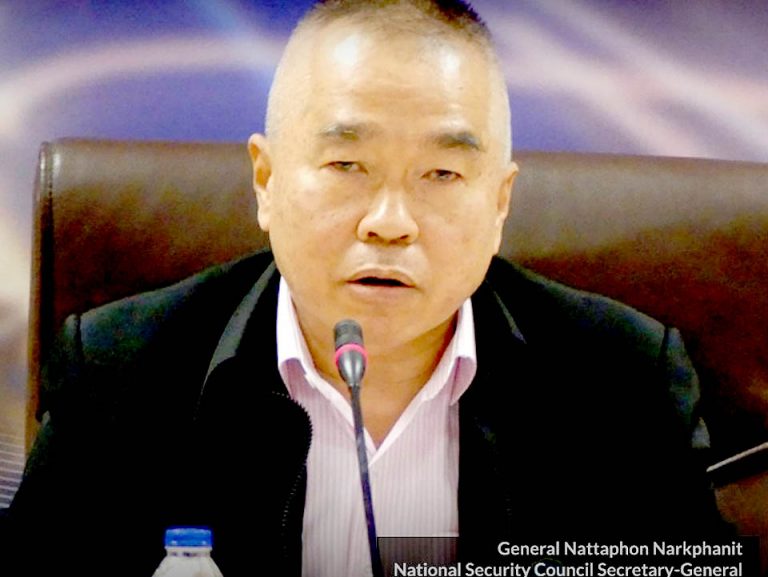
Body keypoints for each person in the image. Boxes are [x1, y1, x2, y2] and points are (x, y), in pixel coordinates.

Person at [4, 1, 727, 576]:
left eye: (442, 174)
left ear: (499, 203)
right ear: (266, 180)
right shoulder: (120, 375)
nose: (390, 221)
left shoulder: (623, 384)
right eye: (348, 166)